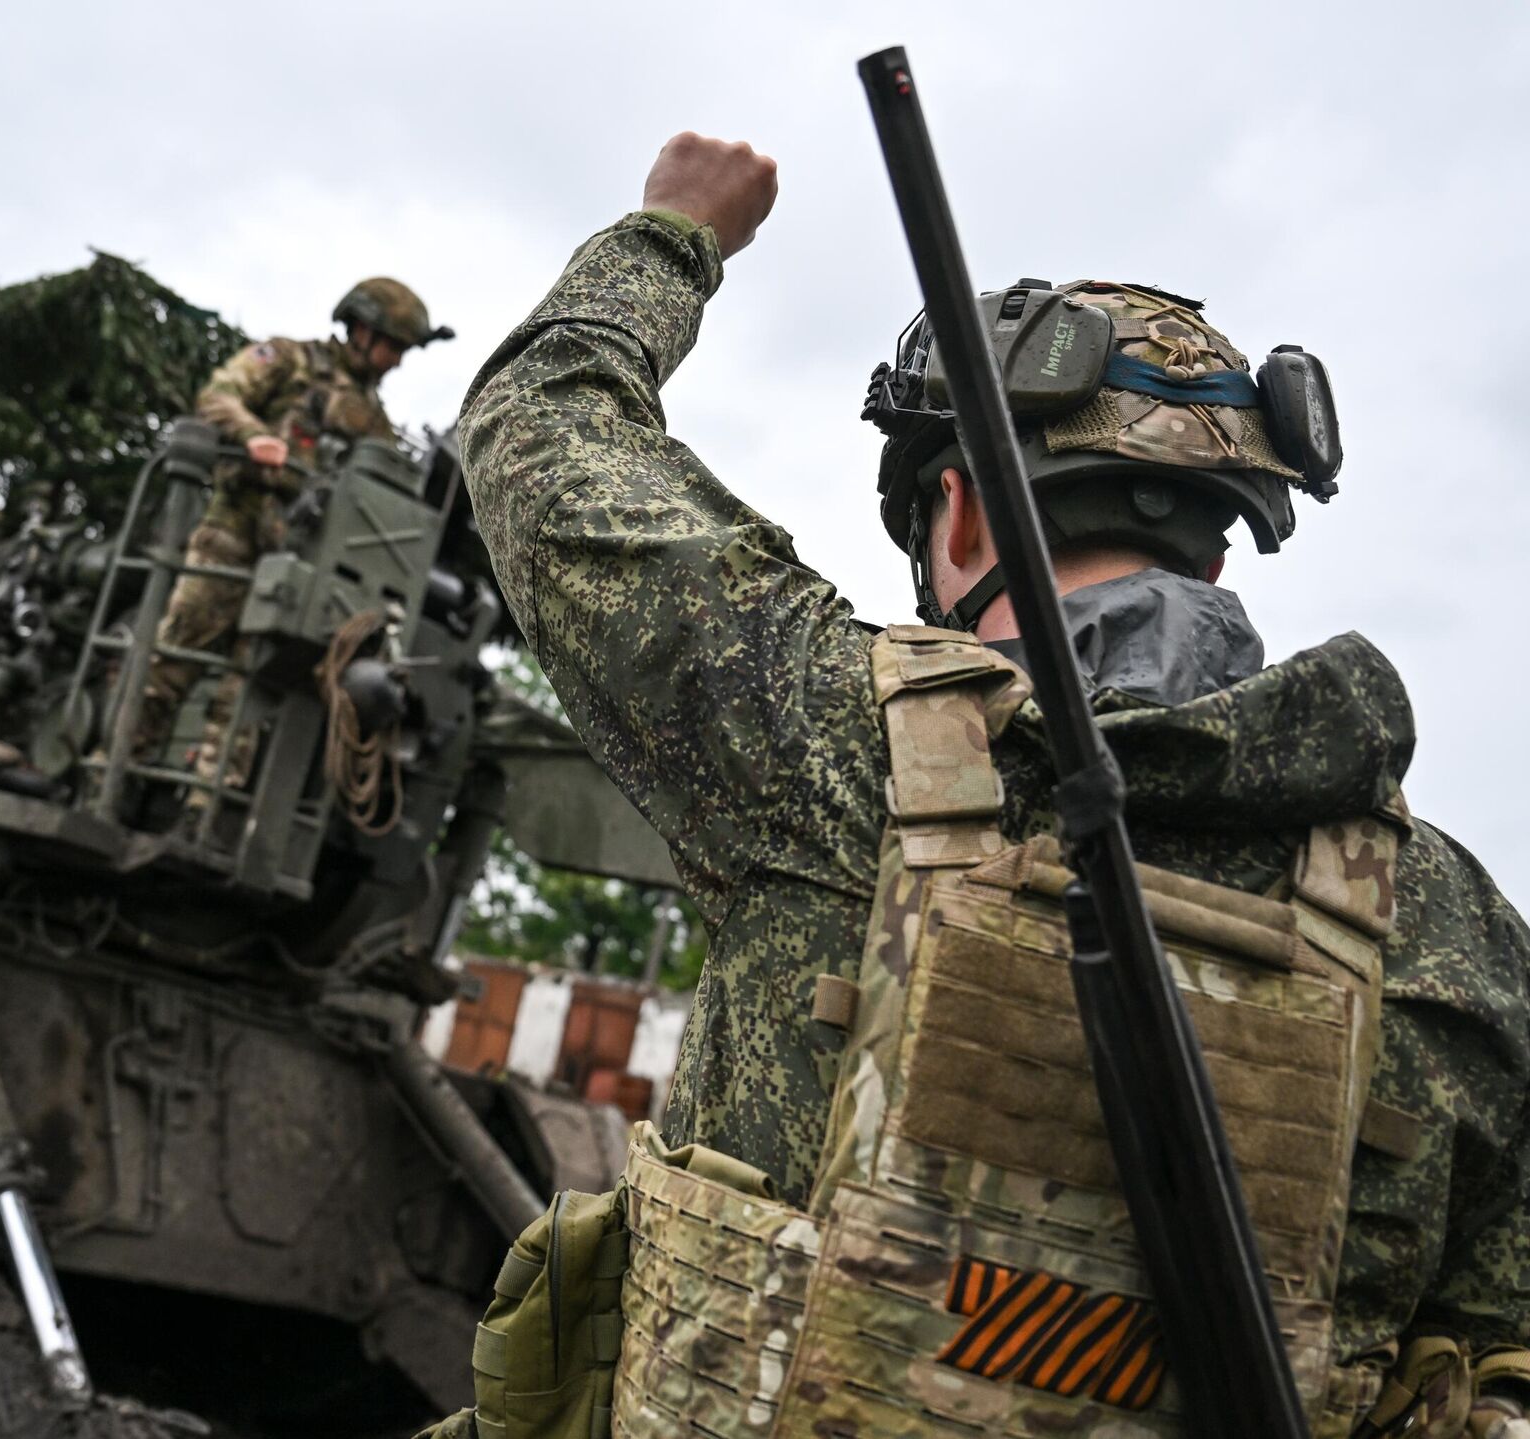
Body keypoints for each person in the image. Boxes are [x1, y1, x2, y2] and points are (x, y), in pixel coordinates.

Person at [439, 134, 1530, 1436]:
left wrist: (673, 232)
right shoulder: (1461, 942)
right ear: (1219, 557)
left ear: (958, 514)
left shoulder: (821, 737)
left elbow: (539, 434)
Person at [134, 277, 453, 789]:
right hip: (235, 530)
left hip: (300, 556)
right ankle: (117, 768)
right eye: (394, 347)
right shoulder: (289, 359)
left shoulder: (374, 423)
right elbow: (218, 395)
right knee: (173, 659)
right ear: (362, 330)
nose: (396, 361)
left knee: (249, 689)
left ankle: (208, 801)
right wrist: (253, 435)